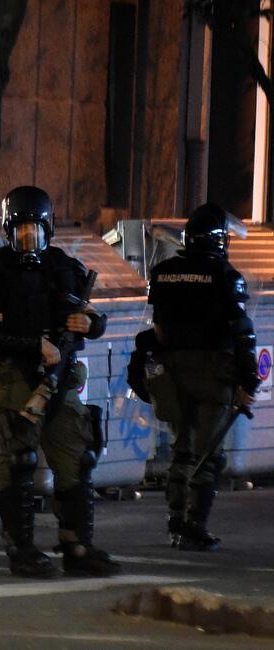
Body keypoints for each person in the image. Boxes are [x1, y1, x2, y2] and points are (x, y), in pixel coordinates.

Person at [0, 185, 120, 579]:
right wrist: (33, 344)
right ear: (8, 230)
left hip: (62, 379)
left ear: (48, 228)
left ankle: (77, 545)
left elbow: (93, 318)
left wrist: (89, 324)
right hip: (14, 378)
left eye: (35, 230)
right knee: (19, 461)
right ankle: (20, 548)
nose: (28, 238)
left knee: (78, 457)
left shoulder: (64, 267)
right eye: (21, 230)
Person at [146, 203, 259, 551]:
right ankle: (194, 524)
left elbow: (158, 329)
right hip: (214, 372)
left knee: (181, 449)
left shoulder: (163, 273)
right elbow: (242, 331)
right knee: (208, 452)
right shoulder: (225, 275)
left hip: (173, 371)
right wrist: (248, 380)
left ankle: (175, 520)